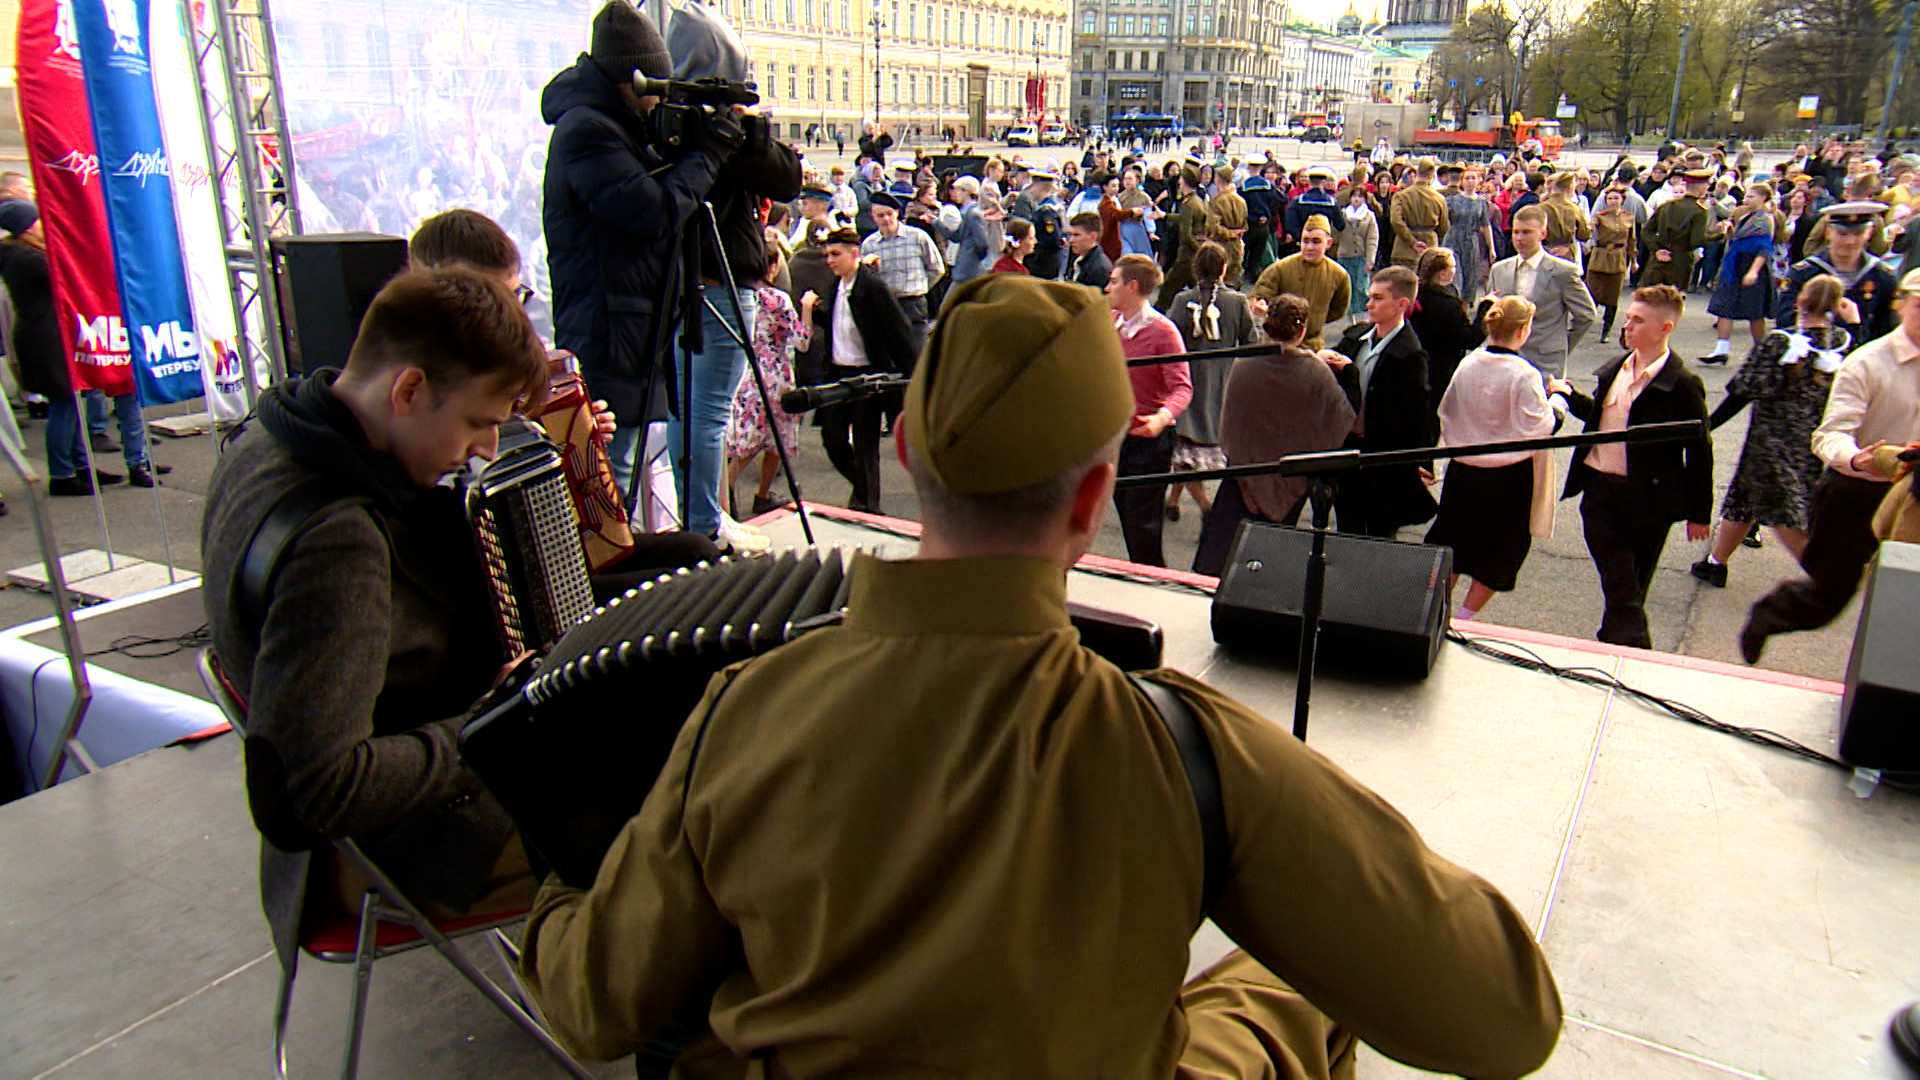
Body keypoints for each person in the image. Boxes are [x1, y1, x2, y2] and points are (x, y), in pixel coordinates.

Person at [516, 271, 1563, 1078]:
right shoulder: (1186, 751)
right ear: (1091, 495)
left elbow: (594, 999)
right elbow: (1507, 1015)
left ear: (915, 458)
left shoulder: (742, 712)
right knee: (1288, 992)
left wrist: (544, 876)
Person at [203, 269, 552, 966]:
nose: (486, 448)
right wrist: (491, 722)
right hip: (378, 858)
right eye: (478, 422)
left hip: (350, 830)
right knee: (672, 819)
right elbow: (317, 789)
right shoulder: (336, 538)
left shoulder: (270, 438)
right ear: (410, 390)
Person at [543, 0, 800, 540]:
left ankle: (646, 547)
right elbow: (654, 213)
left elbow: (784, 176)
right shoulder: (591, 130)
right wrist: (705, 155)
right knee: (616, 460)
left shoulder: (606, 122)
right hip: (615, 319)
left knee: (633, 445)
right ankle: (615, 568)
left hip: (634, 313)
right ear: (631, 77)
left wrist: (723, 138)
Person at [1739, 268, 1920, 664]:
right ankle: (1771, 614)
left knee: (1905, 606)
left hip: (1914, 499)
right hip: (1858, 490)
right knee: (1828, 594)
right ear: (1902, 305)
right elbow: (1830, 434)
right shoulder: (1870, 363)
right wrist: (1858, 457)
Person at [1558, 285, 1713, 650]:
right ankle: (1639, 654)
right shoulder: (1615, 370)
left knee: (1633, 588)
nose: (1627, 326)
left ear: (1666, 328)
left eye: (1638, 321)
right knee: (1621, 584)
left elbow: (1700, 450)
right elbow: (1602, 418)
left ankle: (1614, 651)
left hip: (1650, 502)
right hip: (1601, 494)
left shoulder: (1683, 385)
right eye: (1628, 318)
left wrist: (1699, 511)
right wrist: (1568, 395)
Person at [1692, 275, 1852, 589]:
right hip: (1812, 440)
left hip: (1769, 440)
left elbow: (1742, 392)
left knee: (1784, 512)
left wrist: (1707, 425)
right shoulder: (1844, 342)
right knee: (1744, 501)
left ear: (1800, 301)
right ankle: (1715, 562)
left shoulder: (1780, 343)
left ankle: (1823, 577)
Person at [1426, 296, 1570, 623]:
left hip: (1464, 469)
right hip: (1508, 476)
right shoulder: (1524, 374)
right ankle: (1464, 618)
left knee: (1453, 544)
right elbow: (1543, 426)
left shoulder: (1469, 363)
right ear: (1523, 330)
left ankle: (1437, 612)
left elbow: (1447, 410)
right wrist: (1560, 397)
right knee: (1500, 550)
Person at [1193, 293, 1357, 576]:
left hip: (1243, 475)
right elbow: (1341, 421)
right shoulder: (1317, 373)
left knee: (1224, 558)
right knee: (1270, 564)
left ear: (1267, 326)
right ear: (1302, 330)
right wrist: (1350, 372)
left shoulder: (1245, 365)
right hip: (1289, 478)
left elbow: (1230, 423)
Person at [1326, 265, 1437, 538]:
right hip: (1347, 449)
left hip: (1383, 460)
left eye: (1378, 298)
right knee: (1347, 527)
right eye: (1370, 296)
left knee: (1380, 533)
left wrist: (1422, 461)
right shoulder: (1357, 338)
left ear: (1401, 304)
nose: (1369, 304)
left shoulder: (1410, 355)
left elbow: (1418, 415)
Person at [813, 228, 917, 513]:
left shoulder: (872, 286)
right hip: (838, 373)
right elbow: (839, 323)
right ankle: (864, 490)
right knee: (832, 439)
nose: (830, 261)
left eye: (836, 254)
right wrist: (814, 309)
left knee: (865, 442)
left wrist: (915, 375)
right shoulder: (835, 285)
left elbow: (900, 332)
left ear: (854, 254)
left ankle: (868, 505)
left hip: (868, 376)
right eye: (827, 255)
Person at [1107, 254, 1192, 567]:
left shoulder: (1163, 331)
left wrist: (1161, 417)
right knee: (1128, 519)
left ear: (1132, 286)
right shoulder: (1110, 322)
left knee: (1142, 526)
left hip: (1148, 441)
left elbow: (1182, 387)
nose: (1108, 287)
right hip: (1117, 438)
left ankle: (1151, 580)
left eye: (1114, 281)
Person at [1164, 242, 1255, 525]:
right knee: (1192, 449)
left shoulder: (1181, 301)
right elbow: (1251, 343)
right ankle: (1190, 502)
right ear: (1224, 268)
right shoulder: (1238, 302)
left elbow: (1170, 340)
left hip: (1187, 381)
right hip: (1221, 383)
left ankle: (1193, 502)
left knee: (1187, 446)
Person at [725, 241, 814, 518]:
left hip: (744, 374)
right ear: (773, 267)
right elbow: (802, 341)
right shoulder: (777, 299)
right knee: (773, 440)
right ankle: (750, 494)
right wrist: (807, 308)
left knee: (749, 437)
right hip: (775, 376)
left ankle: (728, 495)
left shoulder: (737, 296)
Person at [1484, 205, 1598, 378]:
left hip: (1545, 361)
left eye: (1527, 232)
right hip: (1505, 359)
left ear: (1543, 234)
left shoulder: (1563, 272)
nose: (1519, 238)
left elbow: (1586, 314)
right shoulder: (1499, 270)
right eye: (1516, 232)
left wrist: (1560, 344)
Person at [1774, 202, 1901, 349]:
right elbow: (1785, 318)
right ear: (1828, 232)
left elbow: (1888, 327)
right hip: (1813, 355)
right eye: (1842, 234)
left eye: (1858, 233)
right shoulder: (1804, 272)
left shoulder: (1882, 276)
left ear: (1869, 233)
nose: (1850, 241)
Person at [1702, 182, 1779, 364]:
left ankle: (1761, 351)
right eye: (1747, 196)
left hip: (1752, 265)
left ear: (1763, 198)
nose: (1746, 199)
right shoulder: (1747, 215)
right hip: (1735, 265)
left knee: (1755, 312)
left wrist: (1753, 271)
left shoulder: (1765, 219)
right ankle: (1721, 349)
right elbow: (1738, 238)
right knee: (1724, 305)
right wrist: (1729, 230)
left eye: (1751, 196)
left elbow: (1764, 249)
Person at [1247, 215, 1349, 351]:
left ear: (1328, 243)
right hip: (1279, 345)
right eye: (1305, 241)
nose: (1309, 247)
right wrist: (1261, 305)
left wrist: (1315, 319)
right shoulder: (1280, 268)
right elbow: (1261, 294)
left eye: (1316, 242)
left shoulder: (1339, 275)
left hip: (1313, 345)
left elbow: (1339, 309)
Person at [1408, 247, 1485, 420]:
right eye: (1452, 267)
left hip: (1417, 365)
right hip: (1442, 369)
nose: (1455, 271)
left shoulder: (1414, 296)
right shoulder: (1448, 305)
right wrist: (1484, 311)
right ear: (1442, 274)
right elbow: (1469, 338)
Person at [858, 191, 944, 343]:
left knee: (917, 350)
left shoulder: (917, 236)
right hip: (886, 305)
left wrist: (919, 286)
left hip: (913, 303)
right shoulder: (869, 245)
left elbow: (936, 269)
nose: (886, 219)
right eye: (880, 215)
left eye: (889, 214)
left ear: (897, 213)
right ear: (873, 217)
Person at [1640, 169, 1710, 290]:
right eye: (1707, 184)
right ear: (1700, 187)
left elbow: (1646, 231)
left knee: (1650, 300)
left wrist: (1657, 249)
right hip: (1680, 262)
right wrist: (1719, 235)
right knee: (1674, 302)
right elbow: (1696, 241)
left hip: (1658, 260)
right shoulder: (1699, 211)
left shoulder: (1666, 206)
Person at [1586, 186, 1637, 340]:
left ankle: (1606, 329)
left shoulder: (1629, 217)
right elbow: (1591, 226)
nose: (1613, 201)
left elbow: (1632, 240)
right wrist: (1588, 229)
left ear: (1622, 200)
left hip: (1617, 258)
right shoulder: (1600, 216)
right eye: (1610, 198)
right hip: (1600, 256)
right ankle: (1583, 322)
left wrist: (1634, 260)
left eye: (1616, 198)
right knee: (1592, 292)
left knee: (1613, 296)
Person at [1444, 168, 1494, 306]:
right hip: (1453, 239)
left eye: (1473, 178)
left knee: (1469, 277)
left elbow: (1485, 225)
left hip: (1471, 241)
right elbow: (1443, 221)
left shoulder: (1481, 202)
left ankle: (1464, 310)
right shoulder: (1452, 201)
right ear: (1461, 181)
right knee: (1455, 276)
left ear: (1478, 181)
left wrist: (1491, 248)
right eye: (1467, 178)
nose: (1470, 181)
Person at [1388, 157, 1449, 269]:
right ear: (1431, 175)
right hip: (1429, 248)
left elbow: (1396, 221)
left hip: (1403, 250)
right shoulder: (1439, 199)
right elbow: (1443, 227)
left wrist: (1411, 241)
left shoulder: (1401, 196)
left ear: (1416, 173)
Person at [1010, 169, 1067, 279]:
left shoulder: (1046, 212)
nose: (1030, 191)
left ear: (1041, 187)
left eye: (1033, 186)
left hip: (1043, 264)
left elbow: (1052, 240)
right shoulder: (1040, 208)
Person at [1335, 182, 1379, 318]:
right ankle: (1349, 318)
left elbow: (1372, 239)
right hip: (1344, 256)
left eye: (1360, 196)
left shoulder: (1369, 216)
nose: (1356, 199)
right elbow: (1335, 234)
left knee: (1361, 289)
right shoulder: (1342, 214)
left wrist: (1370, 260)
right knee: (1347, 289)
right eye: (1354, 196)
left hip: (1361, 257)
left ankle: (1363, 318)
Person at [947, 175, 993, 285]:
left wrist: (973, 258)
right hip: (966, 269)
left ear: (965, 191)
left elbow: (982, 243)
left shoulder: (973, 214)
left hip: (969, 270)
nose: (955, 193)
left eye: (957, 190)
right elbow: (956, 236)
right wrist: (935, 222)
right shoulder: (966, 212)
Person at [1206, 171, 1249, 286]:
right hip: (1236, 245)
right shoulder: (1241, 200)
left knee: (1218, 280)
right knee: (1233, 279)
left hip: (1220, 245)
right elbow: (1245, 225)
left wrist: (1230, 233)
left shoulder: (1217, 201)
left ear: (1217, 179)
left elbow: (1213, 227)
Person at [1064, 211, 1113, 289]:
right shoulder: (1078, 259)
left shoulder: (1099, 269)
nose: (1071, 240)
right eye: (1070, 235)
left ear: (1093, 236)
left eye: (1076, 235)